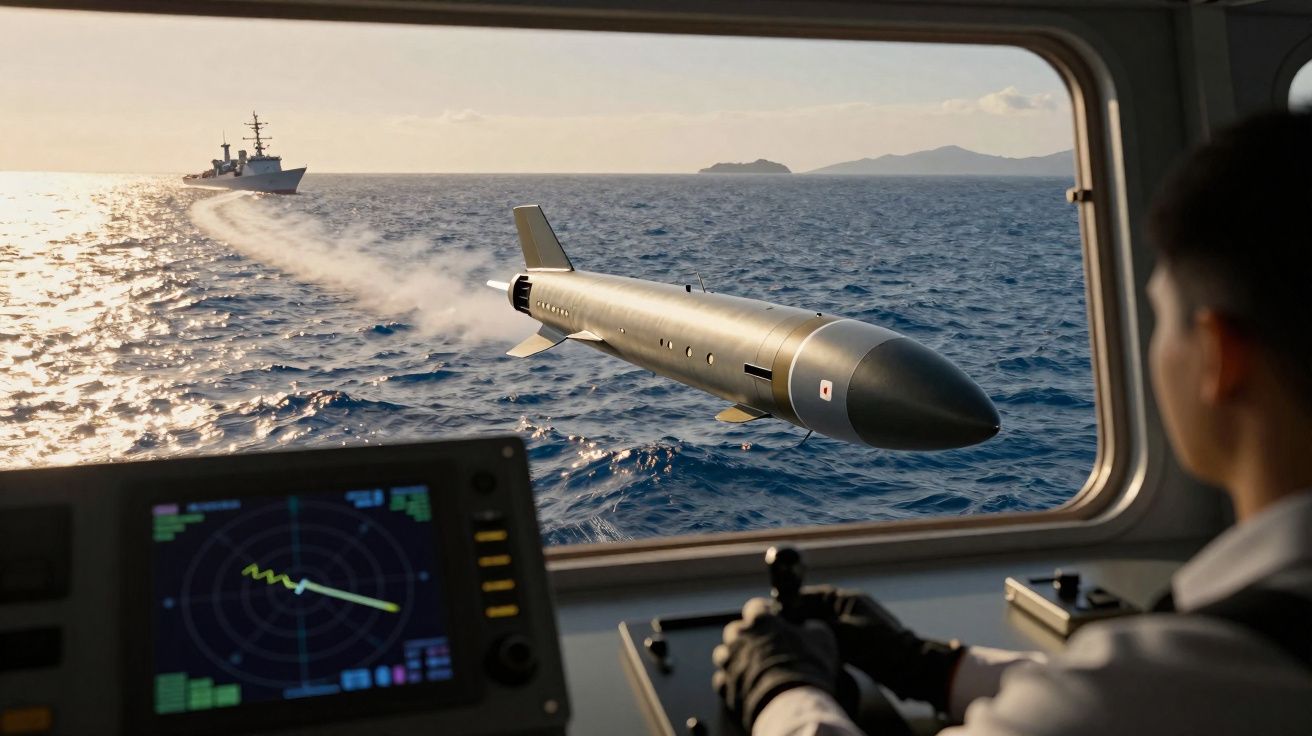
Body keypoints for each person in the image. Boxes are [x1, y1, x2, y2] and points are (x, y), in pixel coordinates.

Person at [712, 110, 1312, 735]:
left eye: (1160, 319)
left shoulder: (1179, 684)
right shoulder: (1216, 661)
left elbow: (1124, 701)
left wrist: (779, 689)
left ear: (1220, 357)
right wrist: (934, 669)